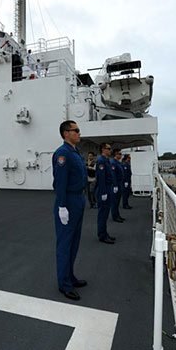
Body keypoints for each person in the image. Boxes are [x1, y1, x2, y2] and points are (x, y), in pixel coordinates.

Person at [52, 120, 88, 301]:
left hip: (79, 199)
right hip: (69, 200)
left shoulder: (75, 152)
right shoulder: (63, 154)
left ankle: (70, 276)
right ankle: (64, 284)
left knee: (74, 242)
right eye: (76, 130)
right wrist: (62, 206)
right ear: (66, 133)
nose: (79, 133)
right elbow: (60, 183)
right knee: (65, 245)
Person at [95, 143, 115, 244]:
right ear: (103, 150)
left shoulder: (106, 160)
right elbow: (101, 178)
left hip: (108, 188)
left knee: (106, 213)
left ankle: (105, 233)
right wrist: (103, 192)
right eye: (109, 148)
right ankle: (102, 235)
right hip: (104, 189)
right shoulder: (101, 161)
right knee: (102, 214)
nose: (110, 150)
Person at [110, 149, 124, 223]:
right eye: (119, 154)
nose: (121, 155)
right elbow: (113, 175)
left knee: (118, 200)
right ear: (116, 154)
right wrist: (115, 185)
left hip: (119, 183)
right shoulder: (113, 163)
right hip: (116, 184)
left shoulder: (118, 163)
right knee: (114, 201)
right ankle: (115, 216)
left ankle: (118, 215)